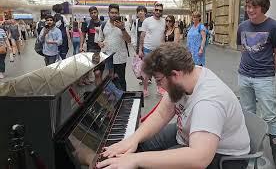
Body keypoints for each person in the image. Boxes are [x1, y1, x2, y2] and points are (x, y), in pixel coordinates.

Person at [96, 42, 250, 169]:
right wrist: (132, 140)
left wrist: (136, 160)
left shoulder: (208, 103)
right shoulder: (188, 76)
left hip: (221, 156)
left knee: (142, 163)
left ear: (175, 74)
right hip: (190, 135)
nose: (160, 86)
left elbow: (199, 158)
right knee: (137, 146)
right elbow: (162, 114)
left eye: (158, 80)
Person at [237, 0, 276, 169]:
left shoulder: (274, 26)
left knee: (270, 116)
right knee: (248, 113)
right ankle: (250, 149)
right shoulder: (242, 26)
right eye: (247, 6)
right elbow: (241, 48)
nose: (249, 10)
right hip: (244, 75)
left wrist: (268, 72)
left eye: (254, 7)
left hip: (264, 77)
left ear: (263, 8)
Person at [98, 4, 131, 91]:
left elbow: (129, 40)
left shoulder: (124, 25)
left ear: (118, 13)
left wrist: (122, 29)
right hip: (107, 58)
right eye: (112, 12)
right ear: (108, 13)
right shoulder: (104, 25)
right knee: (109, 81)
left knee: (120, 80)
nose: (114, 14)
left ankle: (122, 98)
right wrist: (100, 43)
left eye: (116, 13)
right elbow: (99, 39)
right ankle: (112, 101)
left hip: (120, 58)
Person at [138, 2, 166, 97]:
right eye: (156, 9)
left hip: (159, 50)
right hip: (147, 50)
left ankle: (159, 88)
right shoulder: (147, 21)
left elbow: (162, 36)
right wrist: (140, 50)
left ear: (162, 11)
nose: (158, 11)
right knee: (147, 71)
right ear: (154, 10)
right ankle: (145, 89)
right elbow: (142, 35)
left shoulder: (163, 21)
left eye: (160, 10)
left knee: (159, 70)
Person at [80, 6, 103, 85]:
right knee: (96, 71)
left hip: (101, 49)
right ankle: (97, 86)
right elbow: (82, 35)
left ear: (97, 12)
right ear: (89, 14)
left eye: (95, 12)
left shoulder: (102, 23)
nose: (93, 14)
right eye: (91, 13)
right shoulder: (87, 23)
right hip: (91, 49)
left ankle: (99, 85)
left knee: (100, 71)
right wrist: (81, 46)